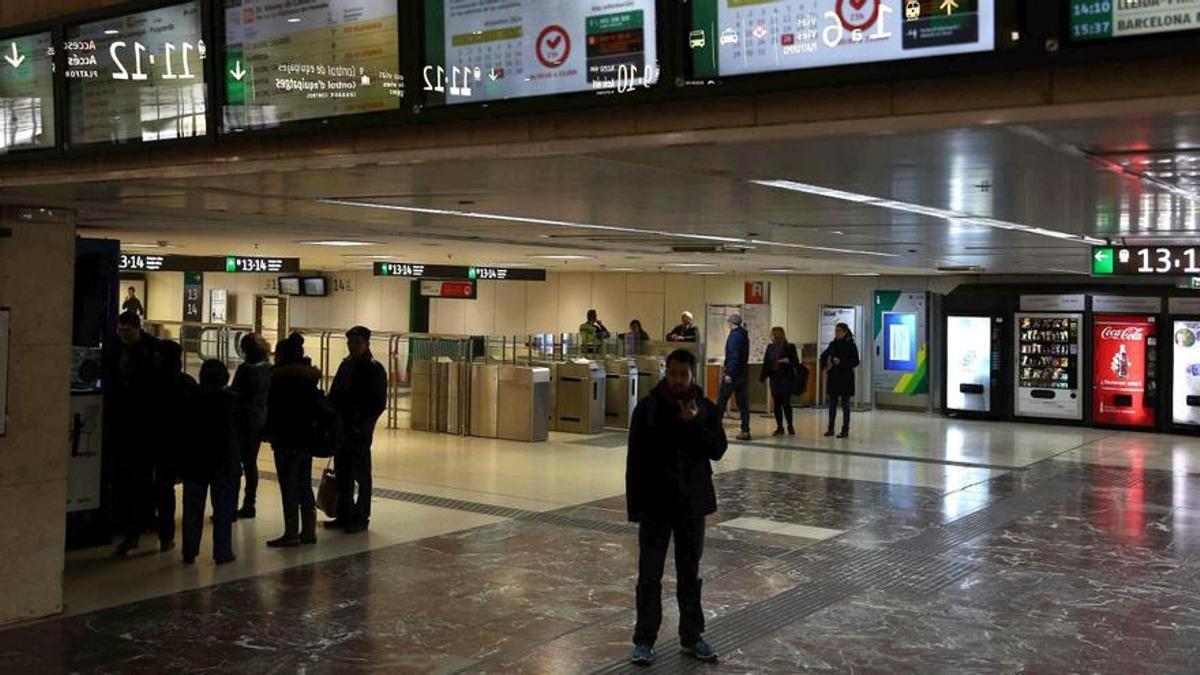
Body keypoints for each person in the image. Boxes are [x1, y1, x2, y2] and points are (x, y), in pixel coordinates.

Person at [626, 349, 727, 666]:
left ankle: (692, 636)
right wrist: (635, 507)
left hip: (691, 506)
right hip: (656, 505)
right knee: (649, 576)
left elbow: (718, 449)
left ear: (692, 375)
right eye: (672, 374)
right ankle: (644, 640)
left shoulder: (705, 409)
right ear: (665, 373)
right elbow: (636, 461)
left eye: (683, 375)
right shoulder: (648, 409)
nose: (678, 380)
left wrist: (695, 423)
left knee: (689, 574)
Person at [103, 311, 161, 557]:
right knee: (125, 479)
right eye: (120, 331)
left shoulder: (152, 350)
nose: (123, 336)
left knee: (141, 479)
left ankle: (139, 527)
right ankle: (129, 526)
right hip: (121, 423)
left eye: (128, 331)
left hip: (143, 426)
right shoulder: (113, 348)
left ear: (138, 329)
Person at [327, 326, 388, 534]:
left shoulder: (374, 369)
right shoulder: (346, 365)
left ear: (366, 344)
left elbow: (378, 403)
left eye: (356, 342)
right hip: (342, 428)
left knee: (361, 475)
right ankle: (344, 513)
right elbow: (334, 394)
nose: (352, 346)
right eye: (350, 342)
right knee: (343, 471)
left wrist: (363, 426)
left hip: (359, 431)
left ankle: (361, 516)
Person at [264, 335, 323, 547]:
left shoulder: (278, 379)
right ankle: (309, 531)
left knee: (288, 486)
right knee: (304, 484)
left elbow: (272, 410)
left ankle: (291, 532)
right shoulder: (309, 380)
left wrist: (267, 433)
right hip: (306, 438)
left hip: (285, 439)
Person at [180, 360, 239, 565]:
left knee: (192, 508)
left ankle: (189, 550)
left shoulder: (189, 398)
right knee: (223, 508)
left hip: (194, 460)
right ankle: (222, 551)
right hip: (223, 462)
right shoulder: (230, 401)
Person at [152, 340, 197, 552]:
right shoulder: (187, 383)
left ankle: (165, 533)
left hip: (161, 443)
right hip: (185, 444)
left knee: (163, 489)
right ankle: (187, 542)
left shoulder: (152, 383)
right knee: (186, 493)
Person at [230, 333, 271, 519]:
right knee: (250, 463)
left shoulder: (245, 370)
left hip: (242, 421)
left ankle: (230, 504)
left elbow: (235, 394)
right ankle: (249, 502)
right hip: (259, 420)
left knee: (236, 463)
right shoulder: (269, 369)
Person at [714, 314, 752, 441]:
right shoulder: (744, 335)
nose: (728, 324)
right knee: (743, 404)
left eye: (729, 322)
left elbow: (734, 356)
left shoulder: (734, 336)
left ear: (732, 323)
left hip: (733, 375)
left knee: (721, 401)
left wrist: (729, 374)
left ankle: (714, 428)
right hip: (743, 374)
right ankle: (745, 430)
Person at [820, 322, 861, 439]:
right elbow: (824, 355)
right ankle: (830, 428)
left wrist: (841, 362)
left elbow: (855, 361)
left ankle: (845, 429)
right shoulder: (833, 344)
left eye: (838, 331)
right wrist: (826, 364)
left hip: (846, 378)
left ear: (844, 332)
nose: (836, 333)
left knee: (845, 405)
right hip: (834, 377)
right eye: (835, 331)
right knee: (832, 404)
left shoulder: (851, 345)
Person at [760, 327, 801, 436]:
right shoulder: (770, 347)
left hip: (786, 378)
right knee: (777, 404)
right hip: (774, 378)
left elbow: (796, 362)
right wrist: (763, 376)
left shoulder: (789, 347)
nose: (771, 336)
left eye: (772, 334)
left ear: (777, 335)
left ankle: (790, 426)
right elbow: (766, 363)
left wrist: (787, 360)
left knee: (786, 403)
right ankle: (779, 427)